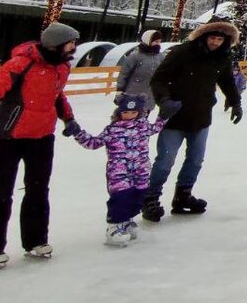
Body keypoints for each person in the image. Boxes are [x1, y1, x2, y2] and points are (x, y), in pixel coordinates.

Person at [144, 20, 243, 222]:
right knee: (165, 160)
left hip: (201, 115)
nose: (215, 42)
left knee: (195, 160)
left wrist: (235, 102)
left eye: (219, 39)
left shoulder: (223, 57)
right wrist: (164, 100)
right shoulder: (183, 52)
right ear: (204, 36)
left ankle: (183, 196)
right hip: (175, 115)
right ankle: (150, 198)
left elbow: (226, 81)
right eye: (212, 38)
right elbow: (159, 78)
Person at [0, 22, 81, 265]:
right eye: (70, 43)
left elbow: (57, 95)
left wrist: (69, 118)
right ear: (56, 44)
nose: (73, 47)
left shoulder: (62, 67)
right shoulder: (19, 65)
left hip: (43, 138)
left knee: (37, 190)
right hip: (8, 138)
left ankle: (35, 241)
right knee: (1, 193)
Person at [65, 93, 179, 246]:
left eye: (133, 112)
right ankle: (114, 227)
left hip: (141, 171)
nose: (129, 116)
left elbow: (156, 128)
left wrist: (164, 115)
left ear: (139, 112)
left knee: (138, 197)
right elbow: (93, 143)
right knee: (121, 197)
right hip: (119, 172)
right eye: (125, 112)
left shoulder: (143, 127)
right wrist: (77, 132)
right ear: (119, 113)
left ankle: (126, 221)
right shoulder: (112, 130)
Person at [116, 30, 166, 109]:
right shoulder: (135, 56)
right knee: (129, 119)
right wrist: (119, 90)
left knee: (143, 120)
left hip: (150, 97)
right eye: (156, 41)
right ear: (148, 40)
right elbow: (124, 74)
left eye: (159, 42)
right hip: (132, 94)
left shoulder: (160, 57)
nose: (158, 44)